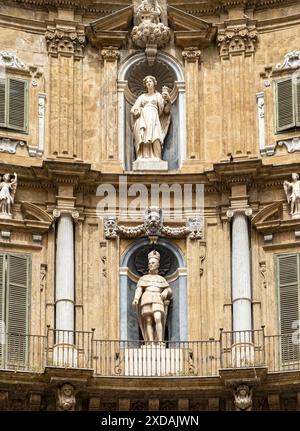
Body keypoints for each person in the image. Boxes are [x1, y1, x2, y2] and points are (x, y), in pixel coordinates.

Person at [132, 250, 172, 343]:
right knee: (148, 320)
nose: (150, 264)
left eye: (153, 263)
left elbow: (169, 290)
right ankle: (150, 342)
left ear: (157, 265)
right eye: (149, 263)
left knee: (157, 317)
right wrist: (136, 298)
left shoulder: (161, 279)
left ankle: (160, 341)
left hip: (158, 298)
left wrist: (166, 291)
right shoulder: (143, 278)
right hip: (146, 298)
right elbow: (139, 289)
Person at [131, 76, 171, 161]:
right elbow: (135, 106)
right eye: (147, 82)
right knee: (144, 137)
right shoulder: (142, 96)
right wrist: (136, 110)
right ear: (145, 84)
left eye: (150, 81)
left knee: (156, 136)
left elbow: (166, 111)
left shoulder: (158, 96)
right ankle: (143, 157)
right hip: (144, 118)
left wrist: (168, 100)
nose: (149, 83)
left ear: (154, 83)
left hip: (154, 118)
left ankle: (157, 157)